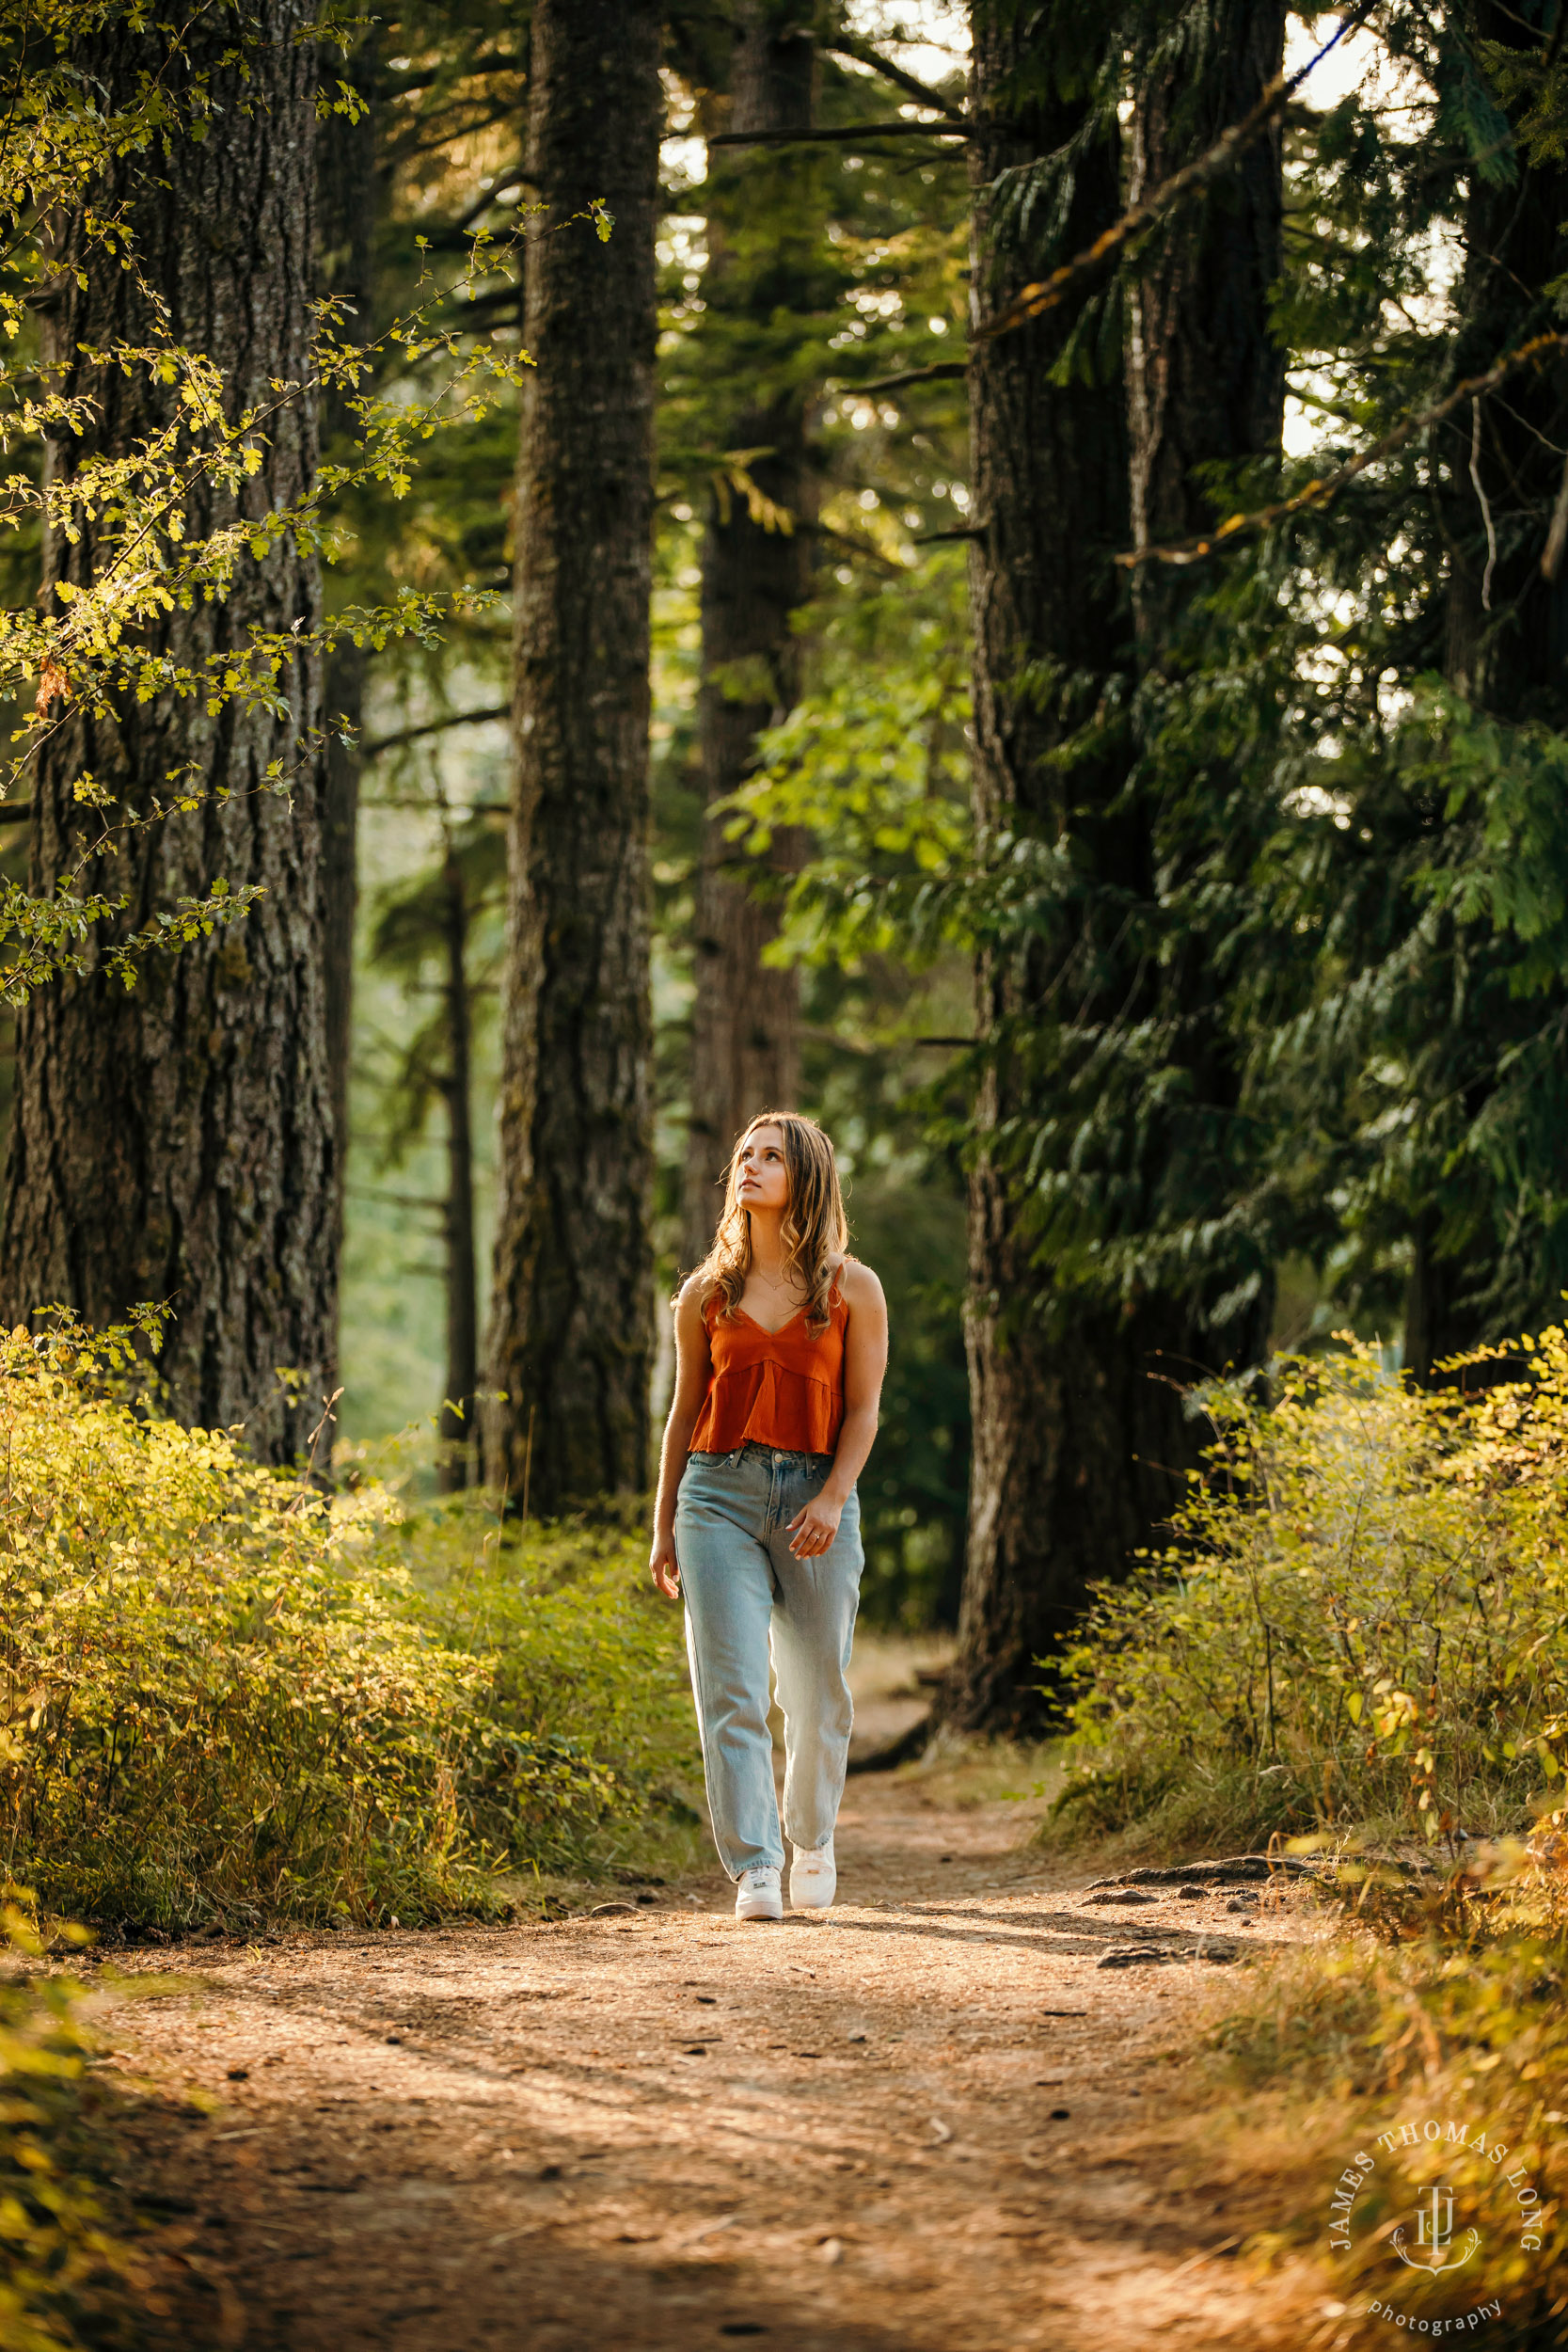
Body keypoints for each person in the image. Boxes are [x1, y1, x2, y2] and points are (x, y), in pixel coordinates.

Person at [649, 1111, 888, 1921]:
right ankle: (755, 1867)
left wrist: (830, 1498)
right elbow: (682, 1417)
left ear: (807, 1177)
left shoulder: (852, 1286)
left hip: (818, 1495)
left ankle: (810, 1839)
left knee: (818, 1688)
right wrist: (662, 1529)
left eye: (771, 1157)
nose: (749, 1167)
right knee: (732, 1689)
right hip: (715, 1495)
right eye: (744, 1156)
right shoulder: (705, 1294)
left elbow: (862, 1413)